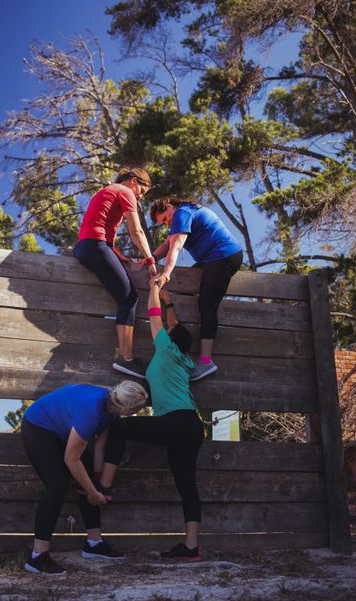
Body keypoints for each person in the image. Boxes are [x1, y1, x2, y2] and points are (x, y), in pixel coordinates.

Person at [99, 280, 205, 561]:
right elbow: (173, 323)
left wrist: (155, 287)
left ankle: (104, 487)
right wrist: (170, 301)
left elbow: (154, 316)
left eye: (168, 332)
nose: (165, 331)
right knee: (187, 486)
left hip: (176, 422)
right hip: (192, 426)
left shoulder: (166, 349)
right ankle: (191, 547)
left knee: (120, 426)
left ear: (170, 339)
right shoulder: (183, 358)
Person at [22, 380, 148, 575]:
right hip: (39, 426)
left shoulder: (112, 404)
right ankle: (37, 556)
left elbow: (99, 446)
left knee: (89, 480)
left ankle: (94, 543)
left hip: (64, 429)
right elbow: (71, 459)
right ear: (126, 407)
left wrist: (96, 482)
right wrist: (92, 494)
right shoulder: (92, 411)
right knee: (58, 484)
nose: (138, 412)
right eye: (137, 409)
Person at [145, 197, 243, 381]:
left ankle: (206, 361)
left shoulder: (182, 213)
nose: (167, 224)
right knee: (184, 289)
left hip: (223, 255)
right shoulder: (184, 212)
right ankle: (178, 341)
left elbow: (176, 246)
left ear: (169, 207)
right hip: (211, 259)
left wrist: (166, 274)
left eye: (165, 219)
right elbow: (167, 244)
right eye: (163, 223)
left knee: (206, 305)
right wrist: (149, 259)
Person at [74, 167, 157, 379]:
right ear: (132, 181)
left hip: (85, 247)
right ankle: (126, 359)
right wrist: (150, 259)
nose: (139, 196)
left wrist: (121, 257)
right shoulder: (125, 192)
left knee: (121, 295)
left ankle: (125, 357)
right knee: (129, 299)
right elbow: (136, 231)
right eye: (141, 190)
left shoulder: (107, 190)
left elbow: (97, 228)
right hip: (96, 246)